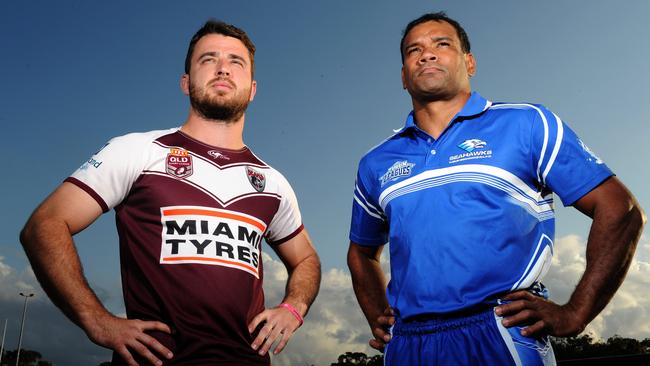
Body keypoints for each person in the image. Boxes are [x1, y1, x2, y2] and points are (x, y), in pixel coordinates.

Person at [347, 11, 645, 366]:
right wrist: (377, 314)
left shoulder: (527, 123)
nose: (426, 54)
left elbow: (619, 210)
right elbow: (362, 253)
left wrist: (576, 312)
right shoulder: (376, 162)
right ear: (403, 76)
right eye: (414, 50)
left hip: (500, 331)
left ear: (469, 62)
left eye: (442, 44)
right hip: (409, 345)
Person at [20, 20, 321, 366]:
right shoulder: (137, 150)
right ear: (185, 82)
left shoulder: (272, 182)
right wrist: (96, 320)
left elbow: (307, 259)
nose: (223, 68)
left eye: (235, 61)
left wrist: (293, 307)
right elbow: (45, 224)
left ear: (252, 89)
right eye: (208, 59)